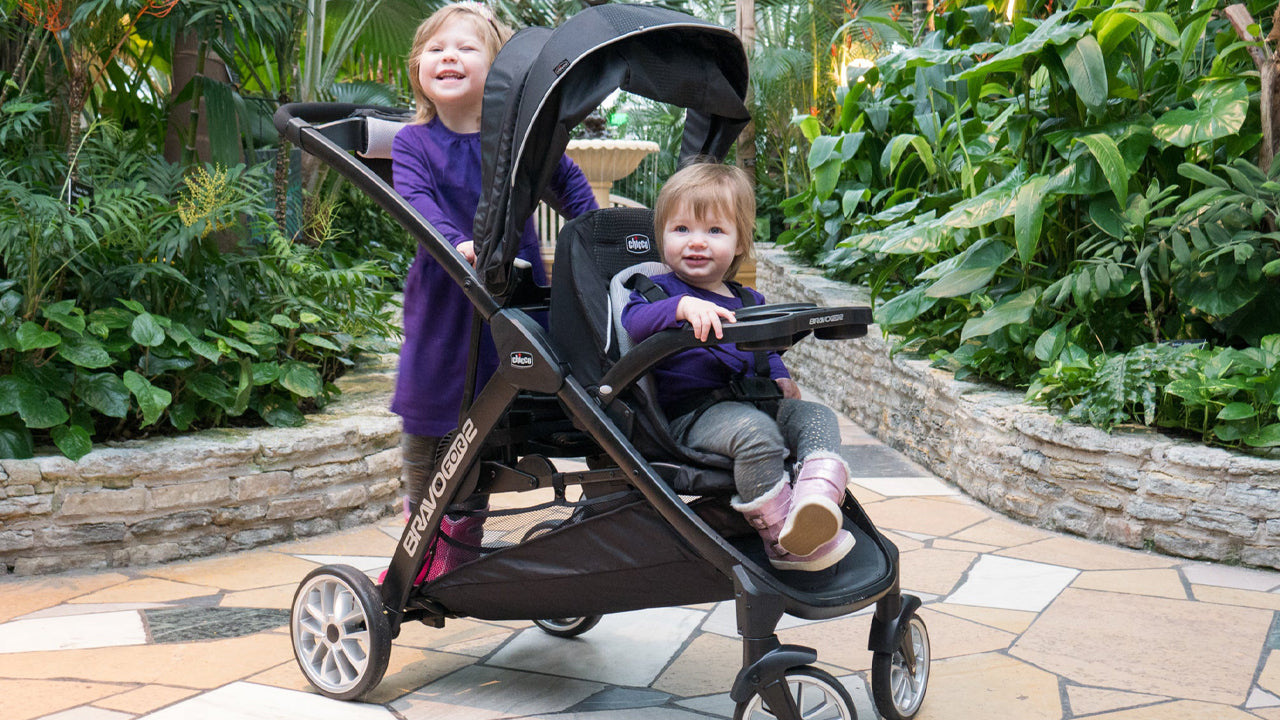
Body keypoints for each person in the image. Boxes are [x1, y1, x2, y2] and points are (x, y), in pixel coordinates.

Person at [390, 2, 598, 583]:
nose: (448, 57)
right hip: (443, 308)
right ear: (418, 69)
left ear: (500, 72)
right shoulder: (413, 143)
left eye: (466, 48)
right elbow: (416, 202)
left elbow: (569, 185)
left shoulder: (518, 145)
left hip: (511, 300)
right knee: (428, 428)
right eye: (435, 49)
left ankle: (461, 548)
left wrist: (597, 235)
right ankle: (419, 541)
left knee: (488, 431)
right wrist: (458, 242)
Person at [621, 163, 854, 572]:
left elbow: (766, 350)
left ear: (740, 241)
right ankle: (783, 542)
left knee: (817, 417)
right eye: (681, 229)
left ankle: (813, 504)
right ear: (662, 236)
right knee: (758, 436)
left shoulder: (748, 301)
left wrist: (779, 374)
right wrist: (680, 307)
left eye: (714, 231)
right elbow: (634, 323)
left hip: (756, 399)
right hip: (696, 414)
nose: (696, 242)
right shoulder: (656, 292)